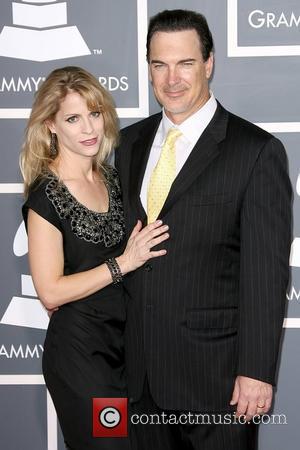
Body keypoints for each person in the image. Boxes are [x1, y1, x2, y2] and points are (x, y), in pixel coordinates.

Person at [115, 9, 292, 450]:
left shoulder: (255, 151)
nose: (171, 79)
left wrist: (256, 371)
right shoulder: (129, 145)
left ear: (209, 63)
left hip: (217, 383)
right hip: (137, 383)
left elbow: (266, 275)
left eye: (185, 63)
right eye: (159, 64)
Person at [20, 66, 169, 450]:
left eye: (95, 113)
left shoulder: (114, 179)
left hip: (127, 348)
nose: (88, 129)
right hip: (82, 355)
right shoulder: (46, 197)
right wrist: (124, 263)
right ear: (51, 125)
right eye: (73, 118)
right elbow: (50, 292)